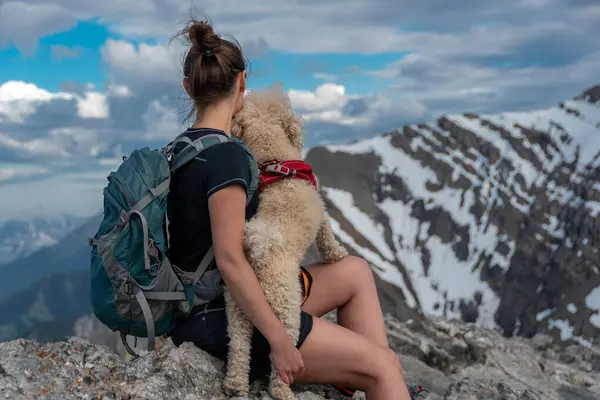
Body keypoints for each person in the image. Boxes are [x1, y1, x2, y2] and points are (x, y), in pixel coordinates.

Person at [166, 17, 413, 400]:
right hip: (223, 320)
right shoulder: (227, 157)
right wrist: (280, 341)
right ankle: (370, 372)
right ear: (242, 83)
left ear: (188, 88)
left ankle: (353, 370)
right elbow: (231, 262)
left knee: (354, 272)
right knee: (385, 366)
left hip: (200, 306)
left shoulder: (180, 149)